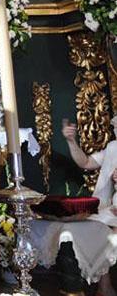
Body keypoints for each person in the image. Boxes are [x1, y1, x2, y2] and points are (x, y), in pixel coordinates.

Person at [62, 118, 117, 296]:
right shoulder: (113, 149)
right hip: (113, 210)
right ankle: (104, 285)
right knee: (93, 229)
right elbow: (85, 162)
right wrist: (71, 142)